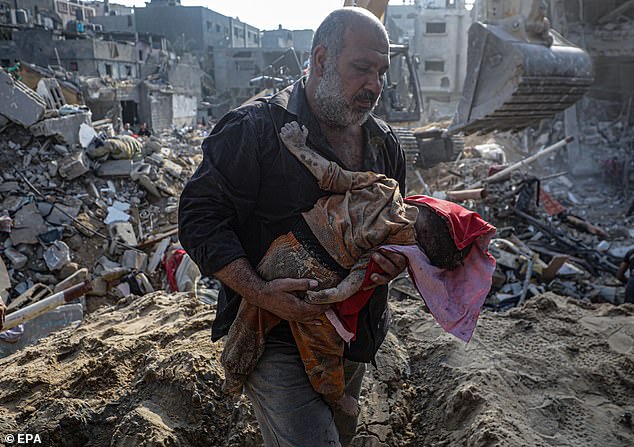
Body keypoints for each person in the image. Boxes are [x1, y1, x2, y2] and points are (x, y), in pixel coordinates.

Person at [179, 8, 409, 446]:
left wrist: (393, 259)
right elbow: (199, 219)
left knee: (338, 435)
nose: (375, 86)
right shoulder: (256, 130)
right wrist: (261, 292)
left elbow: (393, 224)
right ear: (321, 60)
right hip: (275, 335)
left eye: (382, 72)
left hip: (351, 332)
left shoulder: (384, 144)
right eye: (362, 69)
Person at [220, 121, 496, 417]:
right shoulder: (394, 221)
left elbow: (333, 178)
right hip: (313, 271)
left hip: (290, 251)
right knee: (316, 343)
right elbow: (355, 275)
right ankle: (332, 394)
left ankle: (234, 377)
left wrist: (298, 147)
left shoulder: (387, 198)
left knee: (252, 320)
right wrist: (328, 297)